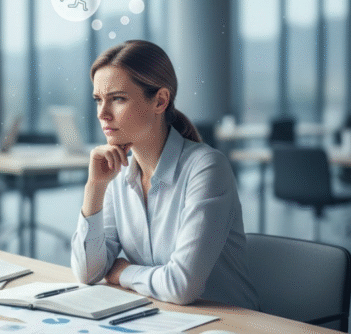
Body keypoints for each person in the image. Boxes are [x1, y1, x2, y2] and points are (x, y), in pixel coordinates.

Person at [70, 40, 259, 310]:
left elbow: (182, 286)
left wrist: (122, 272)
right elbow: (88, 272)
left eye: (118, 99)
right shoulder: (118, 175)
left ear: (160, 100)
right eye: (99, 100)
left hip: (229, 324)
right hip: (163, 317)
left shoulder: (206, 168)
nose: (103, 113)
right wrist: (94, 189)